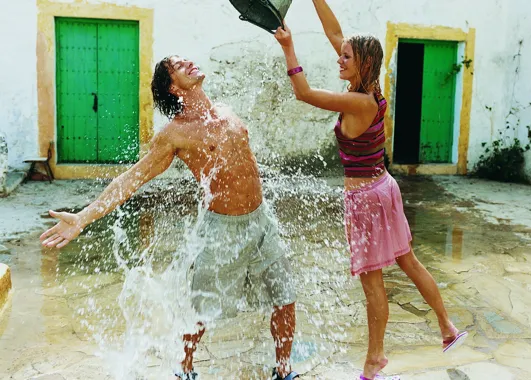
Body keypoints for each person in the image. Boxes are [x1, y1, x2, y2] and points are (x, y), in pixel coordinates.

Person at [40, 55, 300, 380]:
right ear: (173, 87)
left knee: (285, 297)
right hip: (222, 230)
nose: (188, 62)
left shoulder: (226, 111)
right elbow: (130, 179)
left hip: (261, 221)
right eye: (178, 65)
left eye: (185, 59)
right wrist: (83, 217)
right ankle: (184, 368)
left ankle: (284, 369)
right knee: (202, 310)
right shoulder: (175, 135)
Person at [273, 2, 467, 379]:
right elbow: (334, 34)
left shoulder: (359, 101)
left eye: (346, 57)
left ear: (362, 63)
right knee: (408, 261)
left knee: (372, 280)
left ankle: (375, 357)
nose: (339, 59)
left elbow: (304, 93)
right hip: (383, 187)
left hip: (366, 199)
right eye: (341, 55)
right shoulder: (369, 88)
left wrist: (288, 47)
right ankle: (447, 328)